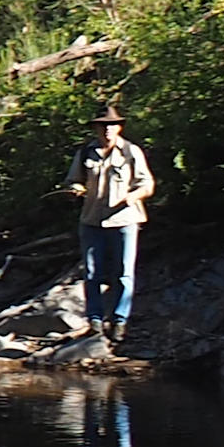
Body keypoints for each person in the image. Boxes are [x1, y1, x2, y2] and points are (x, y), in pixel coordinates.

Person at [70, 109, 155, 339]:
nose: (107, 129)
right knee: (91, 273)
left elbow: (147, 184)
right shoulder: (86, 152)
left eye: (112, 125)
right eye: (102, 125)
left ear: (120, 127)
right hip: (91, 221)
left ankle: (119, 321)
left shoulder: (131, 151)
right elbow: (74, 180)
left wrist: (132, 197)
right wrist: (76, 189)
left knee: (124, 273)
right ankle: (95, 320)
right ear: (96, 128)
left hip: (125, 220)